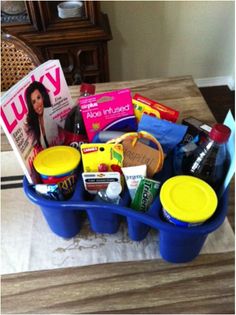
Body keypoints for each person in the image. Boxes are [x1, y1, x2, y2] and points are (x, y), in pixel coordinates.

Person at [25, 81, 60, 148]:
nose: (38, 104)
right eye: (34, 102)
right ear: (31, 106)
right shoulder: (33, 124)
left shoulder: (54, 113)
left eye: (38, 98)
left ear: (43, 97)